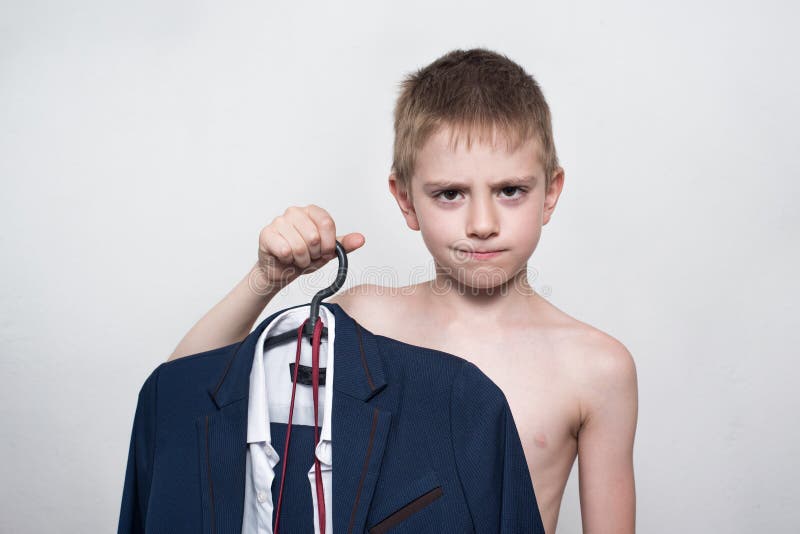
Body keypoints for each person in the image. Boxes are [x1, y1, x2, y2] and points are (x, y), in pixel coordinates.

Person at [167, 47, 638, 533]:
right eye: (450, 194)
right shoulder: (366, 317)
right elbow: (179, 397)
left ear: (551, 191)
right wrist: (264, 281)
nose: (482, 224)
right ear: (405, 200)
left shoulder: (596, 367)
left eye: (510, 190)